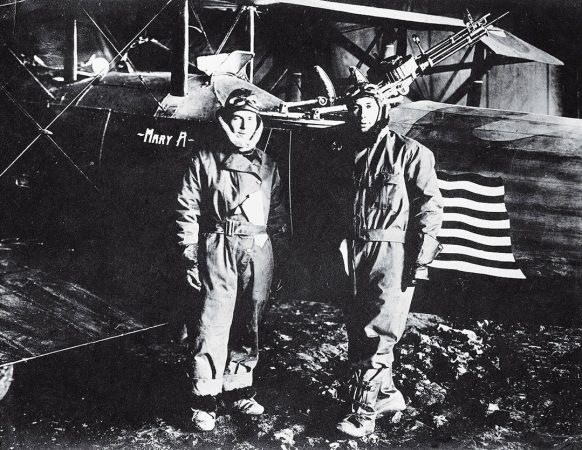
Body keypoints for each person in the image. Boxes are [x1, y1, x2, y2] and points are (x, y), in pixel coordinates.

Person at [333, 81, 443, 438]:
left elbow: (430, 206)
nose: (360, 114)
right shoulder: (348, 153)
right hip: (355, 251)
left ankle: (363, 414)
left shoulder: (410, 153)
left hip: (392, 252)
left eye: (367, 106)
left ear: (382, 110)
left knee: (377, 330)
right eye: (355, 107)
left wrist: (422, 257)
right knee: (357, 325)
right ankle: (387, 395)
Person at [176, 88, 287, 432]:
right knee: (212, 321)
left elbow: (279, 215)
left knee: (250, 319)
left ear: (258, 124)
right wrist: (190, 255)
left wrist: (277, 258)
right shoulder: (205, 159)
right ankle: (204, 399)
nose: (242, 126)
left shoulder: (269, 164)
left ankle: (239, 388)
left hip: (257, 247)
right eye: (236, 119)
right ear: (226, 122)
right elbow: (187, 209)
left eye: (249, 120)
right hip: (218, 244)